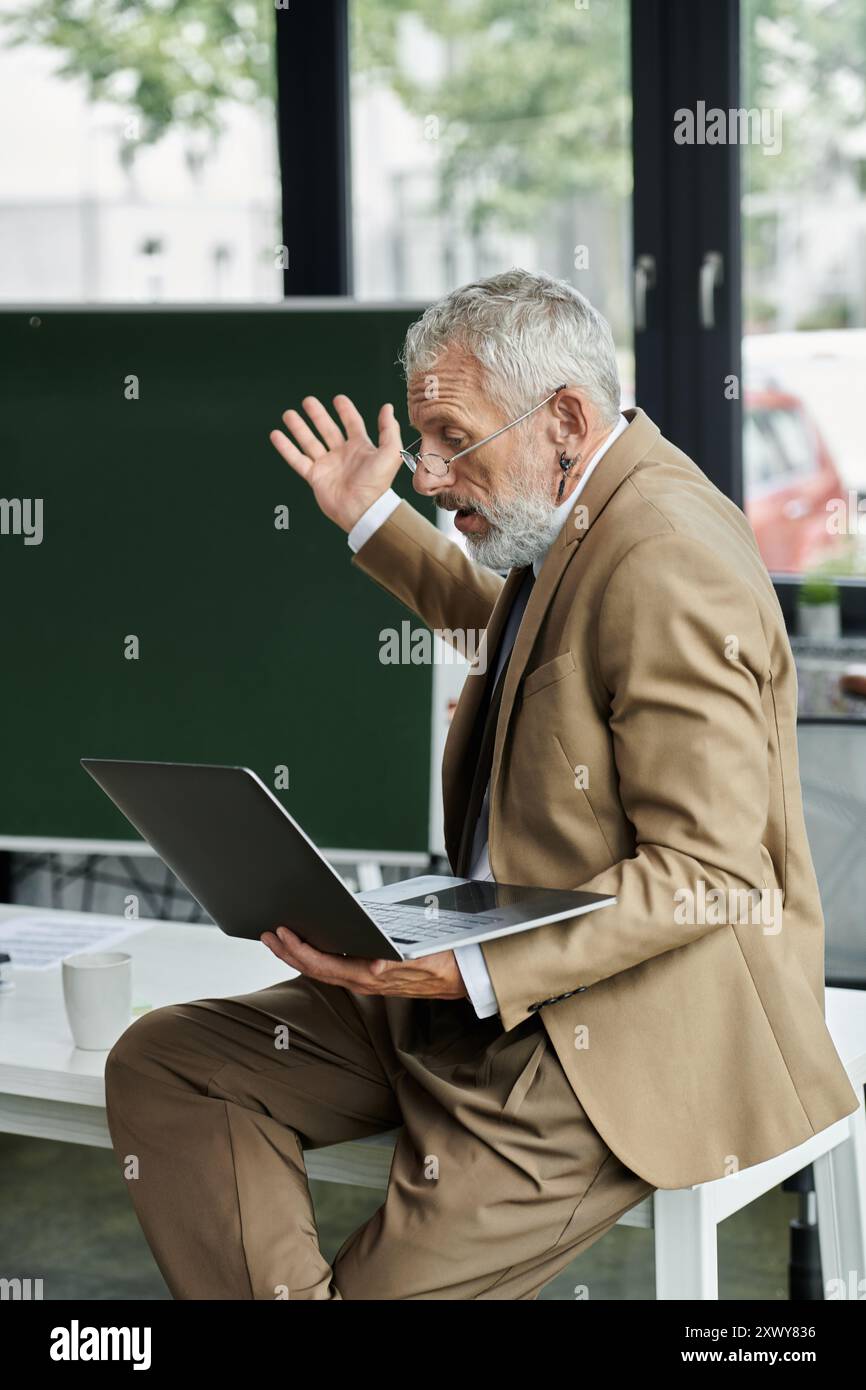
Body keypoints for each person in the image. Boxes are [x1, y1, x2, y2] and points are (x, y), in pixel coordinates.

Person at [104, 268, 859, 1300]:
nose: (427, 470)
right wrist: (370, 519)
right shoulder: (577, 509)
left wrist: (470, 974)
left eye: (451, 439)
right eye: (423, 443)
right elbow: (512, 638)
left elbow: (706, 870)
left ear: (562, 417)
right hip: (480, 973)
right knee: (174, 1059)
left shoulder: (667, 553)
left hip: (609, 1026)